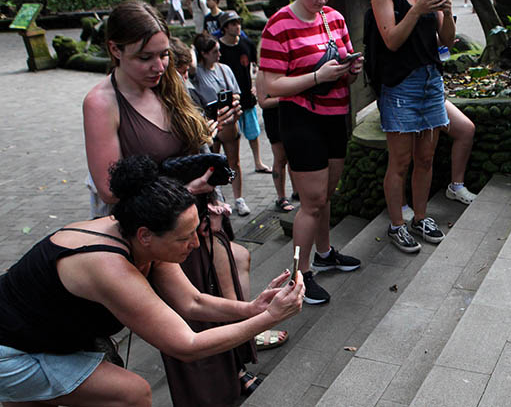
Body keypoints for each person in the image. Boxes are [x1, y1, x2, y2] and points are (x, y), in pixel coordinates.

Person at [82, 0, 280, 405]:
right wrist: (186, 190)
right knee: (191, 331)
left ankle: (234, 381)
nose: (158, 66)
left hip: (200, 221)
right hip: (161, 234)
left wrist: (212, 129)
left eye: (164, 55)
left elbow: (185, 145)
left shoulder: (168, 84)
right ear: (114, 50)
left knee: (217, 310)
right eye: (145, 58)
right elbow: (111, 190)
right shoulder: (102, 102)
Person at [0, 155, 304, 406]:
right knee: (131, 393)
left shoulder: (138, 231)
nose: (196, 246)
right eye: (185, 238)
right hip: (12, 351)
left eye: (195, 233)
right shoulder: (108, 266)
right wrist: (269, 319)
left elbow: (192, 301)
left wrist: (253, 309)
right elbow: (187, 344)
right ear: (146, 235)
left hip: (45, 337)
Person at [259, 0, 363, 305]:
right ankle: (299, 276)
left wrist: (351, 68)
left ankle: (325, 251)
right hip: (301, 119)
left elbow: (343, 60)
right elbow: (272, 87)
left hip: (335, 114)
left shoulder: (333, 18)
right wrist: (317, 77)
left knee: (325, 197)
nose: (322, 0)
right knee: (311, 202)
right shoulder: (278, 25)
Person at [371, 0, 455, 253]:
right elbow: (390, 39)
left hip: (430, 80)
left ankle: (421, 217)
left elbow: (445, 41)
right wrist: (416, 10)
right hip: (400, 84)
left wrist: (446, 12)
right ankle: (396, 224)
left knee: (426, 157)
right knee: (401, 160)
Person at [193, 31, 252, 217]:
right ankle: (216, 197)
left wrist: (233, 101)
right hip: (210, 124)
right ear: (203, 53)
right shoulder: (197, 74)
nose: (219, 54)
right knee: (212, 163)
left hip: (228, 122)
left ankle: (239, 198)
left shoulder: (224, 69)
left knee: (233, 162)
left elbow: (236, 92)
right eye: (214, 52)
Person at [217, 10, 273, 176]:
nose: (237, 27)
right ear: (225, 28)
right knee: (229, 136)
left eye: (238, 23)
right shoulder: (218, 48)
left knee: (253, 132)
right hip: (227, 99)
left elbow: (255, 66)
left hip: (247, 96)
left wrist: (255, 85)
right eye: (233, 24)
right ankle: (231, 165)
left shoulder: (246, 43)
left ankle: (257, 161)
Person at [256, 68, 297, 213]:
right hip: (275, 118)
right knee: (280, 158)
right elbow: (263, 102)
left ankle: (297, 190)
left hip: (291, 116)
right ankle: (281, 197)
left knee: (294, 154)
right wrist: (286, 97)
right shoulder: (262, 73)